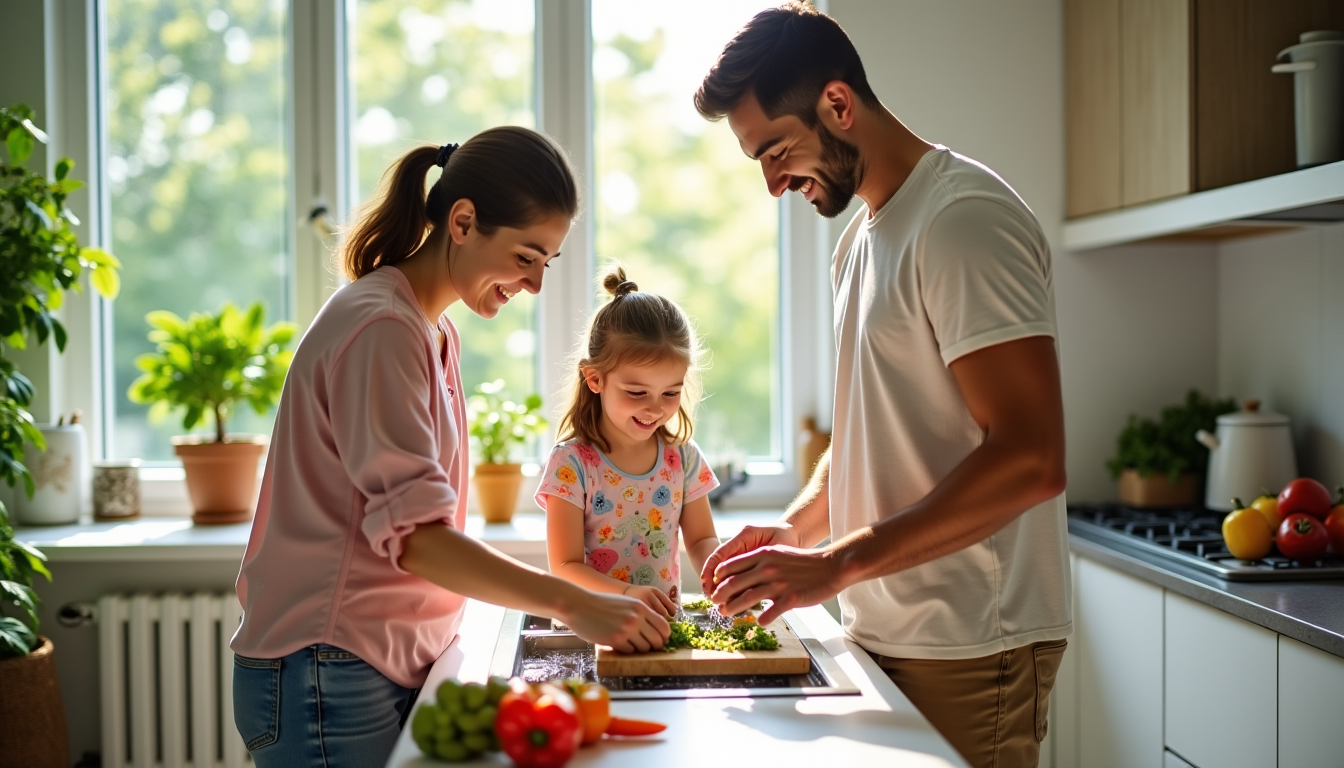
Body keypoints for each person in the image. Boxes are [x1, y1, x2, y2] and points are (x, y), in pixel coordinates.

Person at [694, 5, 1071, 768]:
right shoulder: (860, 242)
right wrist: (797, 531)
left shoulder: (963, 222)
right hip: (883, 631)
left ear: (838, 104)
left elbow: (1033, 458)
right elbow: (872, 433)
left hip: (973, 642)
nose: (773, 184)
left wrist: (837, 564)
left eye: (777, 151)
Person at [230, 127, 669, 767]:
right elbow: (419, 539)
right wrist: (573, 600)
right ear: (462, 222)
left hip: (374, 660)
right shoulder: (382, 327)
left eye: (546, 263)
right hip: (328, 668)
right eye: (525, 257)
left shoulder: (429, 330)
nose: (535, 284)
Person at [537, 265, 721, 617]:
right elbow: (564, 567)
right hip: (595, 626)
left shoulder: (683, 457)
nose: (655, 408)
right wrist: (627, 594)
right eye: (637, 392)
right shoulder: (571, 464)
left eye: (671, 393)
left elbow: (701, 540)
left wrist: (723, 574)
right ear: (595, 379)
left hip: (663, 629)